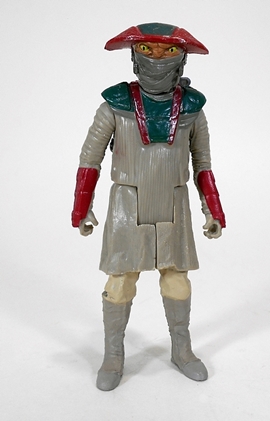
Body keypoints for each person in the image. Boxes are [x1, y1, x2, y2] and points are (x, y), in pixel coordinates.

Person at [71, 22, 226, 391]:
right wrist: (82, 207)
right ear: (134, 57)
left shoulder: (193, 109)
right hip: (127, 203)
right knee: (120, 281)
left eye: (168, 50)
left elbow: (203, 165)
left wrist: (213, 211)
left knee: (177, 278)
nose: (157, 57)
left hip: (174, 201)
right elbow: (90, 160)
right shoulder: (114, 105)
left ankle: (181, 349)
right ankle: (113, 354)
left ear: (181, 59)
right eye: (147, 49)